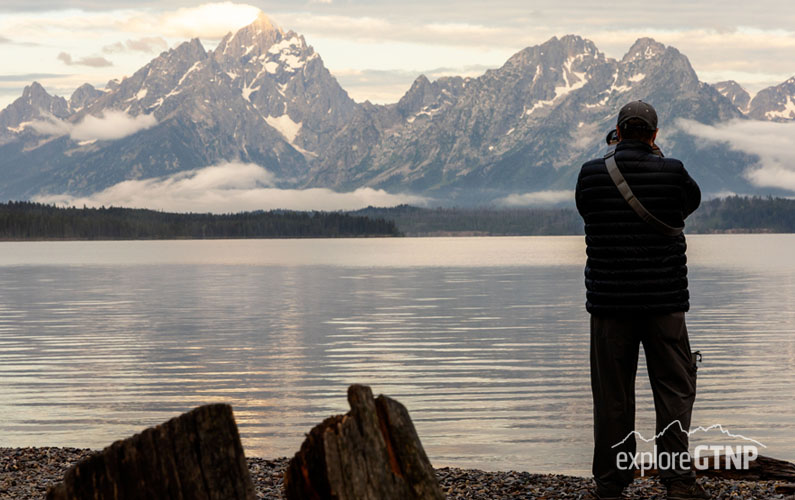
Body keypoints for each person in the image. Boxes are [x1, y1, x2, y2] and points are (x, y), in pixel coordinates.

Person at [575, 101, 707, 500]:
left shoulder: (591, 174)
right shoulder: (673, 171)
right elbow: (690, 203)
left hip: (610, 306)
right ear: (653, 134)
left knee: (613, 396)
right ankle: (678, 481)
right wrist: (656, 158)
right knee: (674, 389)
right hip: (664, 305)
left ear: (617, 131)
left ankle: (612, 484)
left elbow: (587, 212)